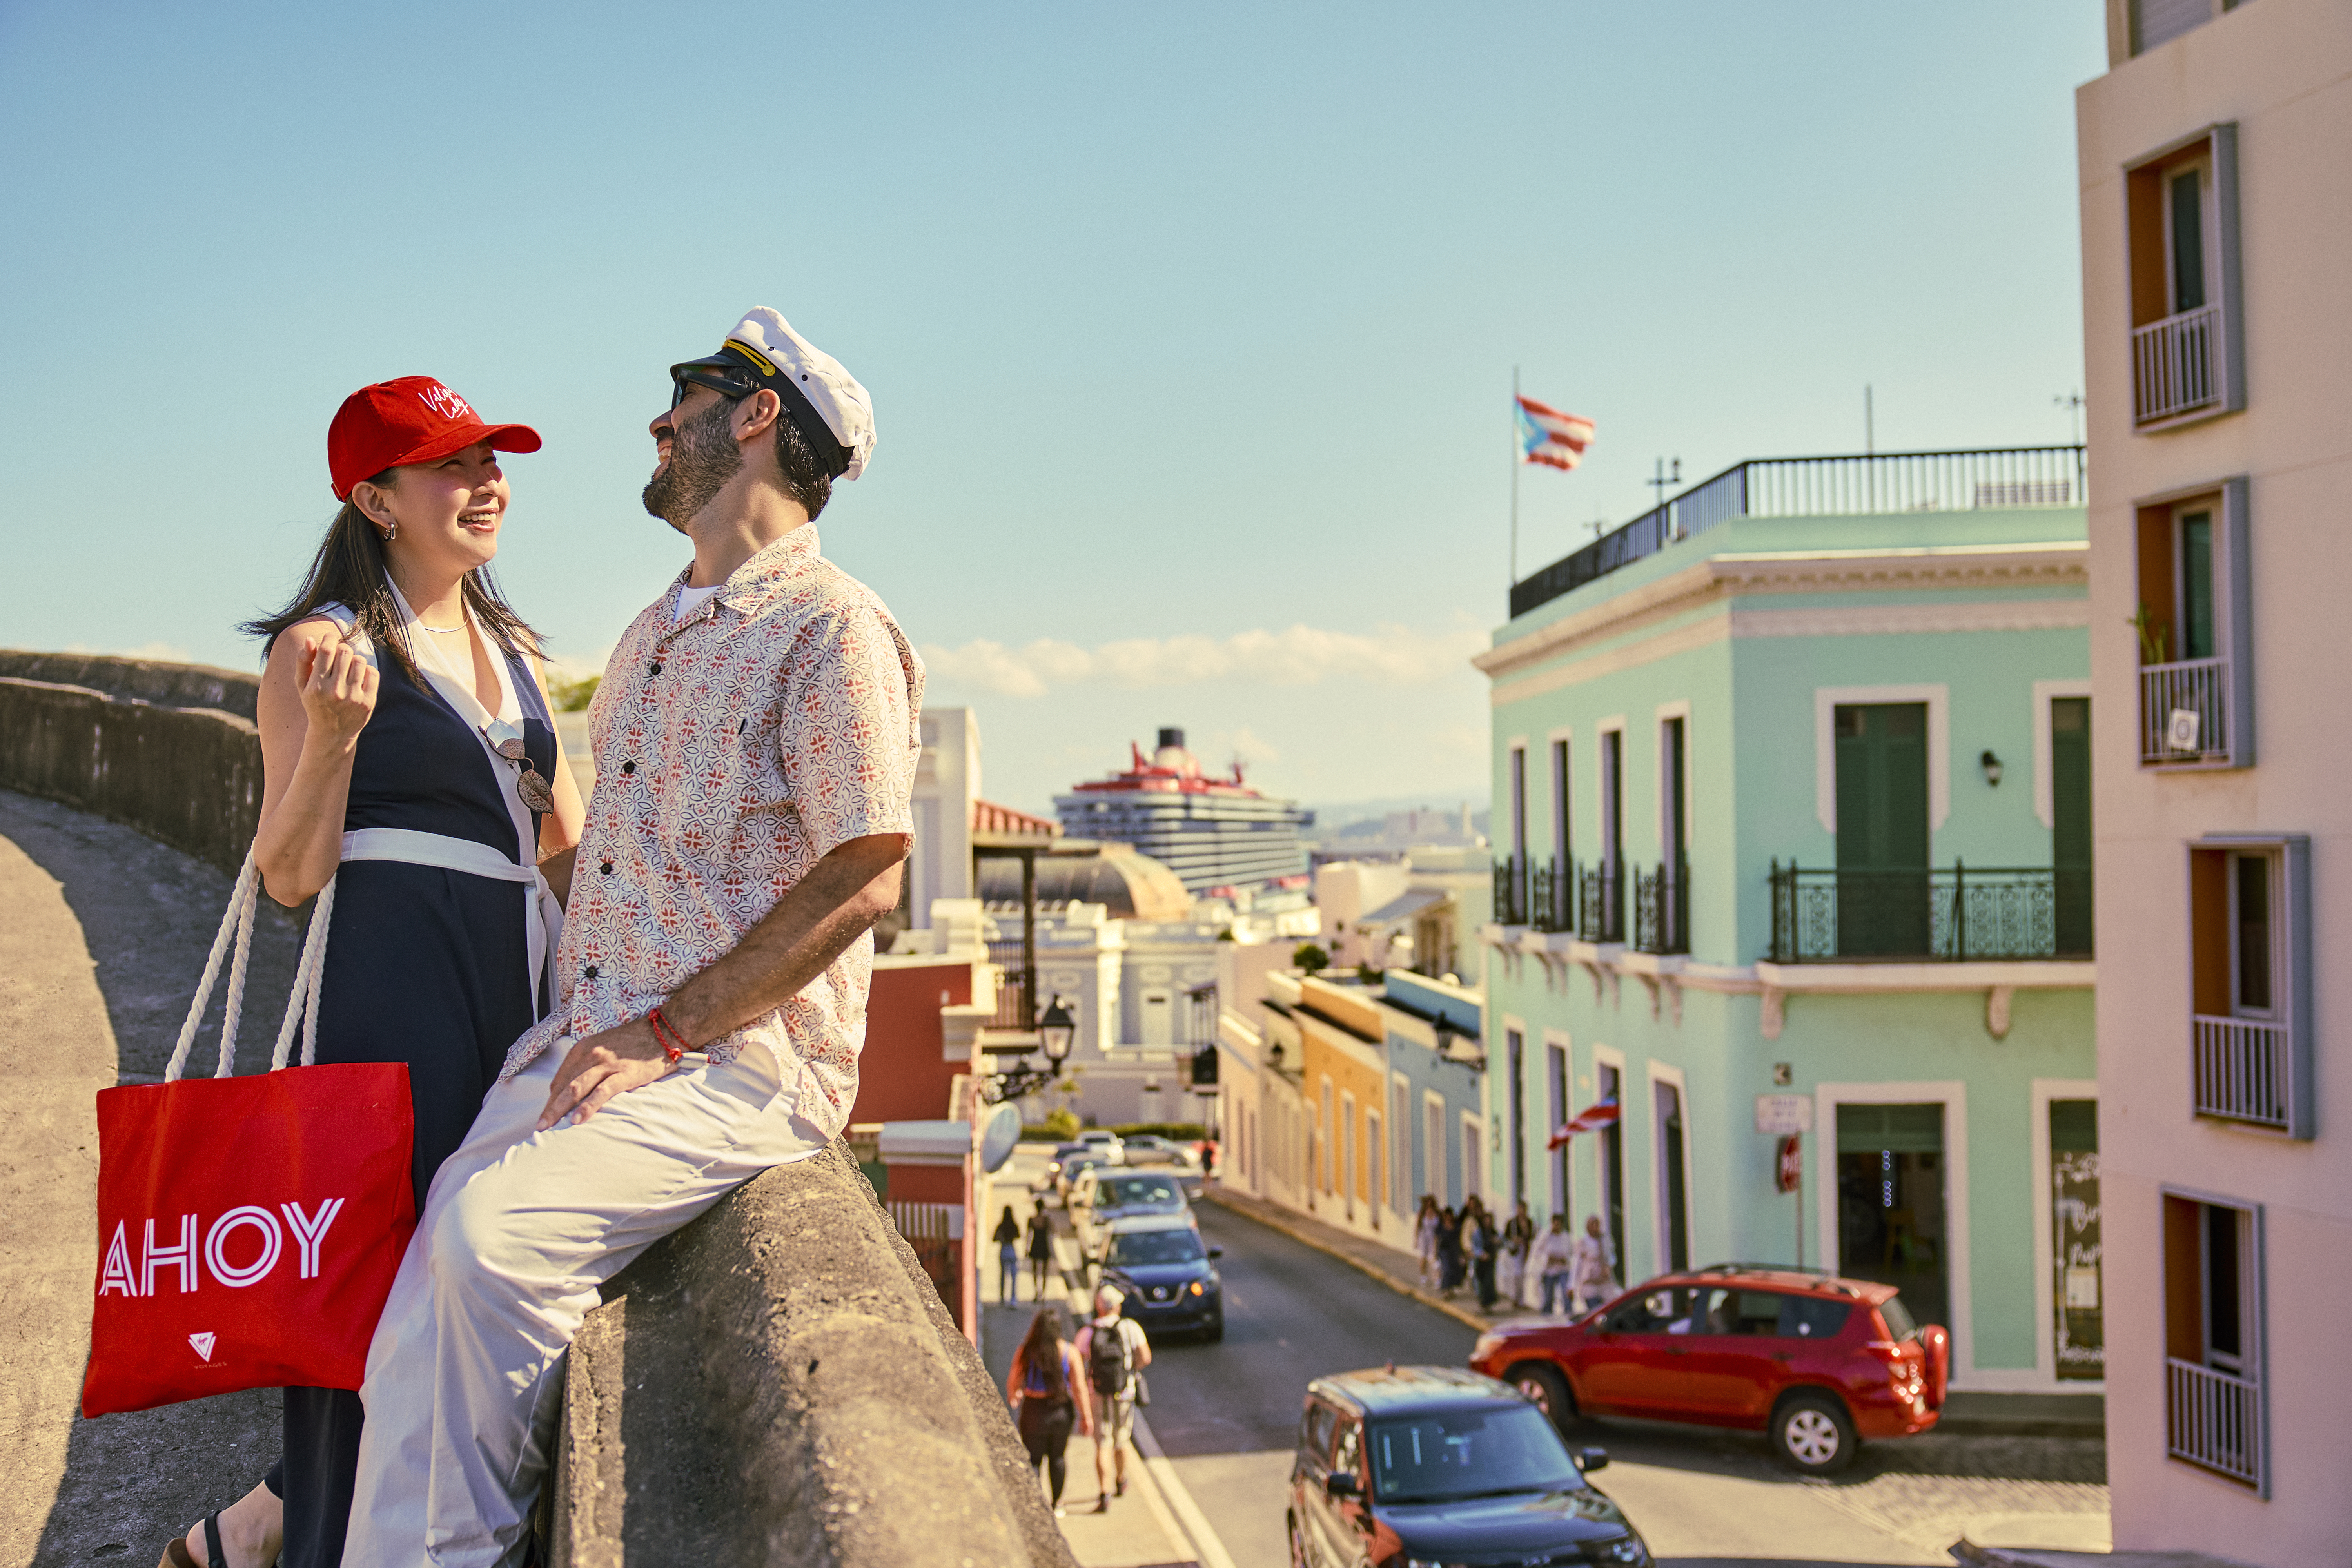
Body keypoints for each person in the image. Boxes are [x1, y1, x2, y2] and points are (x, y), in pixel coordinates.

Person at [339, 308, 918, 1565]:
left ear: (756, 416)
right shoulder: (653, 634)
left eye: (686, 397)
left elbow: (866, 869)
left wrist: (670, 1030)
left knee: (492, 1249)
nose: (660, 421)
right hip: (594, 1037)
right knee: (416, 1300)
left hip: (732, 1063)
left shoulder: (832, 627)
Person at [164, 379, 580, 1568]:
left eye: (492, 461)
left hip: (515, 981)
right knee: (370, 1287)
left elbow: (568, 848)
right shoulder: (320, 647)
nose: (487, 483)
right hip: (392, 984)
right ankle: (313, 1537)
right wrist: (335, 742)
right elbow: (291, 874)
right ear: (375, 499)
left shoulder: (516, 651)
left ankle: (261, 1523)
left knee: (473, 1281)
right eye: (453, 464)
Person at [1005, 1304, 1095, 1515]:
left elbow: (1014, 1378)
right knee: (1058, 1458)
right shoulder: (1070, 1352)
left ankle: (1037, 1506)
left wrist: (1014, 1394)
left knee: (1033, 1460)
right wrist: (1086, 1417)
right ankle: (1058, 1505)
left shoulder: (1027, 1350)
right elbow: (1079, 1388)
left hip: (1033, 1410)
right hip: (1060, 1412)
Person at [1074, 1287, 1153, 1512]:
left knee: (1102, 1443)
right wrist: (1130, 1370)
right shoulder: (1131, 1328)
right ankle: (1121, 1480)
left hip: (1097, 1392)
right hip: (1124, 1392)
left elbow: (1077, 1364)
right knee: (1122, 1439)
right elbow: (1145, 1358)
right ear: (1117, 1306)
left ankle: (1104, 1492)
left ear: (1098, 1306)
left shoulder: (1087, 1333)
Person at [1532, 1213, 1577, 1314]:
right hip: (1549, 1270)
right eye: (1555, 1224)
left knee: (1566, 1293)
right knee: (1548, 1295)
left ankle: (1569, 1314)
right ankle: (1547, 1315)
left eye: (1559, 1224)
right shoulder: (1545, 1236)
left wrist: (1565, 1259)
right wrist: (1547, 1259)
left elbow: (1572, 1253)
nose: (1556, 1227)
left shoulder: (1566, 1237)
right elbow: (1537, 1252)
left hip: (1563, 1269)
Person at [1571, 1215, 1618, 1314]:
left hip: (1605, 1282)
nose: (1595, 1228)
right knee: (1594, 1310)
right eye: (1593, 1225)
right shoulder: (1583, 1242)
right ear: (1588, 1227)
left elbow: (1612, 1257)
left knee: (1609, 1309)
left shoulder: (1605, 1240)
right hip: (1590, 1283)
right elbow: (1576, 1264)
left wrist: (1608, 1266)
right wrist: (1571, 1285)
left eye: (1597, 1225)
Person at [1465, 1198, 1499, 1310]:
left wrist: (1498, 1242)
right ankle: (1483, 1302)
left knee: (1489, 1282)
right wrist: (1481, 1254)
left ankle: (1488, 1303)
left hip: (1491, 1260)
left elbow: (1501, 1241)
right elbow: (1475, 1245)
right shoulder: (1479, 1232)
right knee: (1481, 1282)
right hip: (1481, 1260)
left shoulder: (1493, 1232)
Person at [993, 1204, 1024, 1304]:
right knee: (1013, 1275)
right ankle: (1013, 1298)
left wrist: (1002, 1238)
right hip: (1011, 1249)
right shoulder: (1014, 1225)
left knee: (1003, 1275)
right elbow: (1019, 1236)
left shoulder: (1001, 1226)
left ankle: (1002, 1298)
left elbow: (994, 1239)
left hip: (1003, 1249)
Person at [1027, 1201, 1058, 1299]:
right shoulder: (1046, 1219)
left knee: (1035, 1271)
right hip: (1044, 1245)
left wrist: (1027, 1248)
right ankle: (1043, 1293)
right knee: (1045, 1271)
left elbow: (1029, 1235)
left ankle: (1037, 1291)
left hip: (1035, 1244)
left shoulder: (1032, 1219)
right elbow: (1053, 1232)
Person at [1436, 1205, 1465, 1296]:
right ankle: (1445, 1289)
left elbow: (1461, 1240)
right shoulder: (1441, 1226)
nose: (1448, 1218)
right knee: (1447, 1269)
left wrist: (1462, 1254)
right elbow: (1437, 1239)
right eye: (1447, 1216)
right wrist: (1435, 1253)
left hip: (1455, 1250)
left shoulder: (1457, 1226)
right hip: (1444, 1250)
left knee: (1454, 1269)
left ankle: (1451, 1289)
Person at [1414, 1195, 1441, 1286]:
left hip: (1434, 1238)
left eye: (1431, 1204)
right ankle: (1424, 1276)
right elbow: (1417, 1227)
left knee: (1435, 1258)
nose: (1430, 1206)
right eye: (1428, 1204)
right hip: (1424, 1237)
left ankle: (1437, 1279)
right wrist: (1416, 1239)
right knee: (1423, 1258)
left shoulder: (1438, 1214)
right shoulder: (1422, 1214)